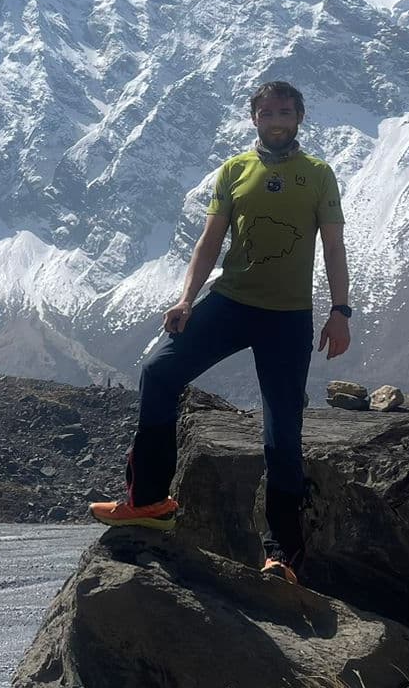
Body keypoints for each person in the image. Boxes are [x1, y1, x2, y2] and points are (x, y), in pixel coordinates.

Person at [89, 80, 351, 584]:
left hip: (288, 316)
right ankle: (148, 504)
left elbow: (334, 247)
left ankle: (282, 555)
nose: (276, 119)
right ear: (253, 117)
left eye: (285, 111)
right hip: (230, 303)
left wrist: (340, 310)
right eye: (267, 111)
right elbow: (209, 242)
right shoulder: (234, 170)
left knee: (282, 433)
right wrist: (187, 298)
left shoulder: (318, 175)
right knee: (159, 372)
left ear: (299, 117)